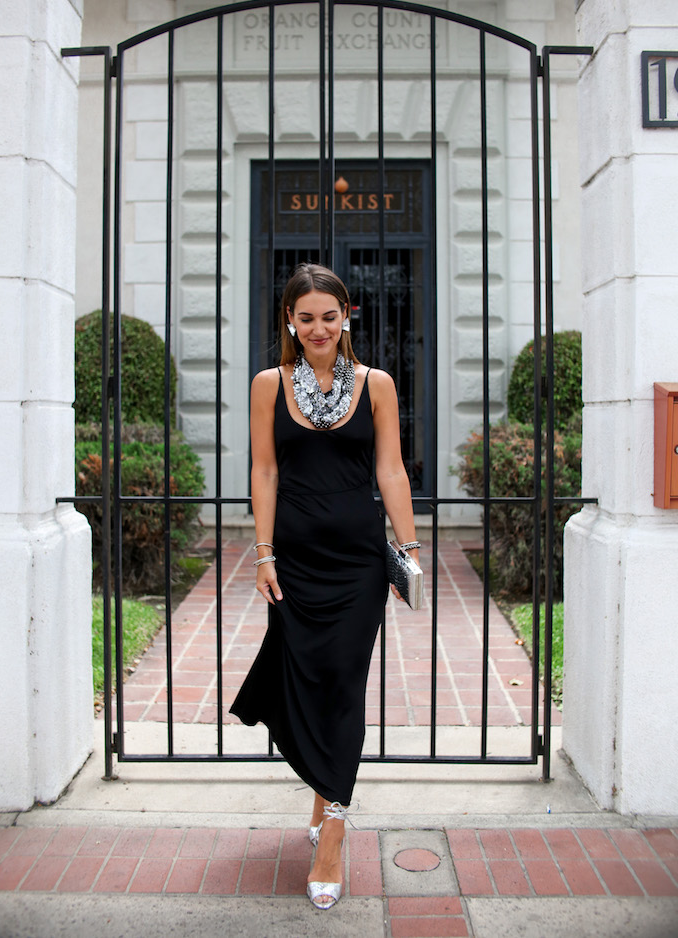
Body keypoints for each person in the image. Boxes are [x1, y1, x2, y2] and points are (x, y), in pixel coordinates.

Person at [230, 262, 420, 910]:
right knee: (306, 679)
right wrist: (263, 554)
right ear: (290, 320)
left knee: (343, 684)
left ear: (348, 318)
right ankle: (323, 788)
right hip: (296, 565)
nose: (318, 328)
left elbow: (390, 470)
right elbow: (263, 471)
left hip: (358, 564)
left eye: (329, 317)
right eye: (305, 317)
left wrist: (410, 547)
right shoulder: (267, 384)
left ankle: (333, 825)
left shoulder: (377, 386)